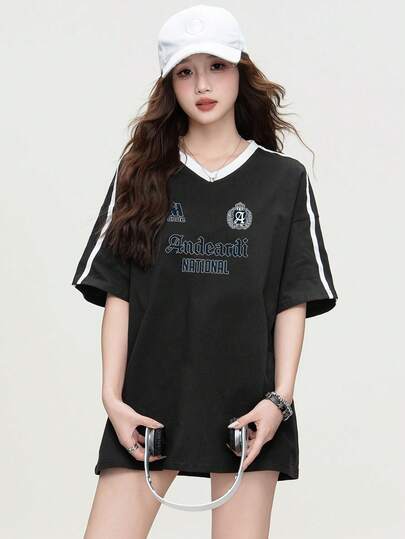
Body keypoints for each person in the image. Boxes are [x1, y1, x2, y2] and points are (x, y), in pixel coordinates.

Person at [71, 4, 338, 538]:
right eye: (185, 72)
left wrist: (279, 401)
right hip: (148, 409)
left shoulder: (284, 181)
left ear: (240, 70)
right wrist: (113, 401)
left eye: (216, 66)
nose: (203, 85)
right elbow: (119, 294)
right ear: (170, 85)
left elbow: (293, 297)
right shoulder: (140, 175)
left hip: (249, 411)